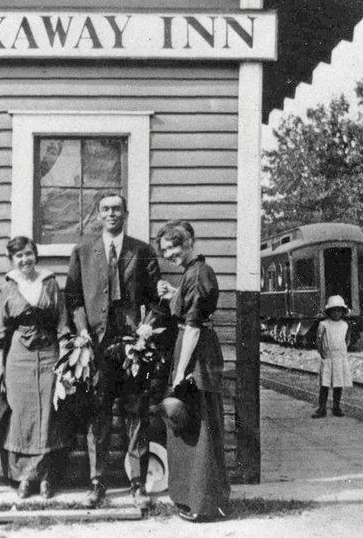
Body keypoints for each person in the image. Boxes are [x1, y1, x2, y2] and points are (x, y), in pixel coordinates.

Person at [65, 192, 163, 510]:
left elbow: (158, 300)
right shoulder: (82, 251)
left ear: (126, 213)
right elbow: (74, 299)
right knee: (99, 413)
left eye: (117, 209)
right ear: (98, 215)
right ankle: (97, 482)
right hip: (97, 345)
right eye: (106, 209)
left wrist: (146, 328)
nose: (111, 214)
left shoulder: (142, 251)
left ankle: (137, 483)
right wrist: (81, 331)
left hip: (132, 347)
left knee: (135, 413)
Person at [156, 220, 230, 523]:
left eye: (175, 246)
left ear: (189, 243)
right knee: (189, 424)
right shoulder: (191, 274)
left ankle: (203, 503)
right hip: (190, 350)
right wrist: (175, 292)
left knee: (200, 426)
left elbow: (194, 326)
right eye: (165, 250)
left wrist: (178, 374)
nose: (170, 253)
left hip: (196, 354)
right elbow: (190, 306)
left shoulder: (199, 273)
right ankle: (191, 497)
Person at [0, 236, 71, 499]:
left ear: (36, 255)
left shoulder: (50, 283)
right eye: (19, 256)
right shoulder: (9, 286)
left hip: (48, 354)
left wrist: (65, 359)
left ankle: (46, 478)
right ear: (12, 260)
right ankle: (24, 477)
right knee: (21, 415)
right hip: (18, 357)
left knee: (47, 413)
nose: (25, 260)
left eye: (28, 254)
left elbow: (62, 323)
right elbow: (0, 329)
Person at [311, 295, 353, 418]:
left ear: (343, 312)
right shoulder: (323, 324)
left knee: (338, 384)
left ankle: (336, 407)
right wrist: (321, 351)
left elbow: (347, 339)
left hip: (340, 357)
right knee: (324, 384)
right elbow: (319, 340)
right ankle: (322, 408)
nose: (337, 313)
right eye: (334, 310)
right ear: (329, 312)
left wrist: (342, 350)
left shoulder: (345, 325)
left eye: (339, 311)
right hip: (328, 357)